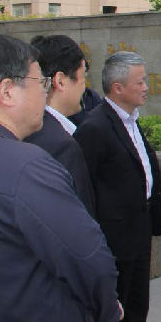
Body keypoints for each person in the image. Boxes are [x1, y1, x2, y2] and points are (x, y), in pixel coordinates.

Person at [0, 34, 121, 322]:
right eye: (40, 82)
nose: (45, 93)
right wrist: (107, 313)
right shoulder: (27, 166)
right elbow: (88, 258)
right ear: (7, 92)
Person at [75, 51, 161, 322]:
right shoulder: (94, 128)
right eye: (140, 82)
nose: (146, 87)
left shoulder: (131, 120)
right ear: (118, 87)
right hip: (114, 242)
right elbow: (83, 189)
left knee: (137, 309)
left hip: (140, 232)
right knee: (117, 314)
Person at [24, 34, 96, 216]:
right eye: (82, 78)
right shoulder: (61, 146)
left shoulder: (22, 128)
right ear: (60, 80)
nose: (84, 88)